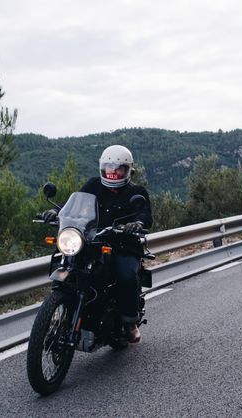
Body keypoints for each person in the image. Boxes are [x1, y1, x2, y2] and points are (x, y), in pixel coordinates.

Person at [44, 145, 152, 343]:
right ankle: (57, 313)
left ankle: (130, 322)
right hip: (91, 241)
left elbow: (145, 214)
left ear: (128, 170)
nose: (113, 172)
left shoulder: (136, 191)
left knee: (126, 274)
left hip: (121, 245)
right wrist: (57, 214)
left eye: (118, 168)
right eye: (109, 167)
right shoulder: (94, 185)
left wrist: (137, 223)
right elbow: (76, 206)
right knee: (68, 262)